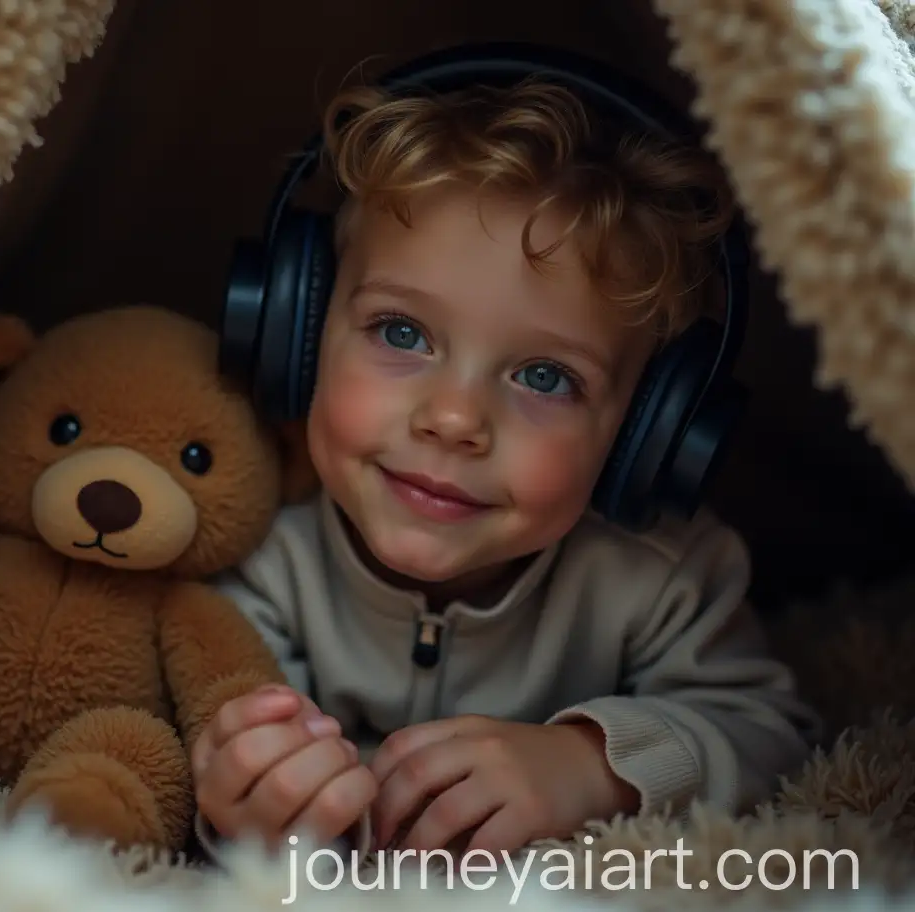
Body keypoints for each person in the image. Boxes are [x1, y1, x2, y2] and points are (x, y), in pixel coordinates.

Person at [191, 67, 820, 860]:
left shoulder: (662, 578)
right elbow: (205, 751)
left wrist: (591, 767)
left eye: (545, 377)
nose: (455, 419)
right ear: (299, 333)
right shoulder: (261, 558)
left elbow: (771, 736)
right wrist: (247, 806)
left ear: (647, 431)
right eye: (401, 332)